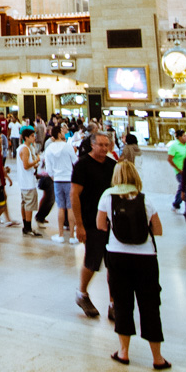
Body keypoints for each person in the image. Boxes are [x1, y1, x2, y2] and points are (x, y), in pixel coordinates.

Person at [97, 159, 170, 369]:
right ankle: (157, 357)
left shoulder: (107, 197)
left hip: (117, 255)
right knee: (150, 304)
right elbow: (158, 229)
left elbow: (100, 225)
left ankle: (124, 352)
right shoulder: (145, 200)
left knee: (122, 303)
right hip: (146, 257)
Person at [69, 131, 115, 318]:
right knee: (93, 260)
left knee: (113, 263)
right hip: (90, 220)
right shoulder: (82, 165)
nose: (104, 148)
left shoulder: (113, 165)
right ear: (92, 145)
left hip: (111, 220)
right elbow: (74, 195)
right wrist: (79, 225)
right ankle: (82, 293)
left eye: (107, 145)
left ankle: (114, 303)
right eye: (101, 145)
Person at [42, 127, 75, 243]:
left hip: (57, 180)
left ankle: (60, 235)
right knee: (70, 207)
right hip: (69, 179)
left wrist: (54, 177)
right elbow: (75, 162)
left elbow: (49, 169)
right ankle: (72, 236)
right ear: (59, 134)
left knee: (61, 207)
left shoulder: (49, 149)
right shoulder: (67, 147)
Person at [16, 126, 41, 235]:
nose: (34, 137)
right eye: (31, 136)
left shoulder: (23, 148)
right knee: (29, 205)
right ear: (26, 137)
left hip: (24, 181)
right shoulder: (25, 149)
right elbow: (26, 165)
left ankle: (26, 226)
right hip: (27, 182)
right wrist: (36, 161)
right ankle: (28, 227)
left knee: (25, 204)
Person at [166, 128, 186, 209]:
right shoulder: (174, 146)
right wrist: (178, 169)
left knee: (184, 186)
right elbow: (169, 159)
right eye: (184, 136)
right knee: (183, 185)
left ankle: (177, 202)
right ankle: (178, 202)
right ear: (179, 137)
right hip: (180, 171)